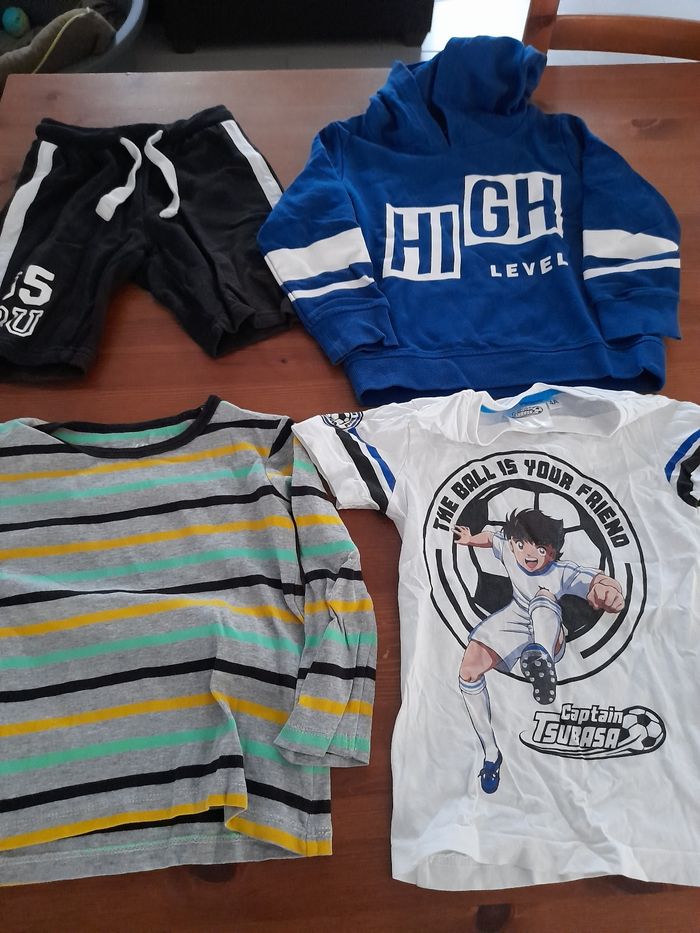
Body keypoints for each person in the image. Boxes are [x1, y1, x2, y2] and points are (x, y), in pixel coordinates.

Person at [454, 508, 624, 793]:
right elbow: (492, 538)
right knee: (468, 670)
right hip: (516, 618)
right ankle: (491, 754)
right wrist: (471, 539)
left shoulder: (562, 572)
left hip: (548, 627)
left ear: (553, 551)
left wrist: (608, 591)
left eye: (540, 549)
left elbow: (597, 580)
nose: (529, 554)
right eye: (521, 545)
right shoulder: (509, 549)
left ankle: (541, 658)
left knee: (543, 595)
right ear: (513, 544)